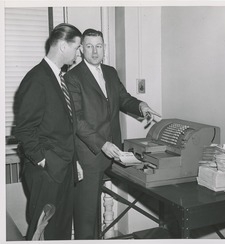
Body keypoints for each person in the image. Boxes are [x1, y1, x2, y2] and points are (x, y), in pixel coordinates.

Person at [64, 28, 160, 239]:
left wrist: (141, 105)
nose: (94, 51)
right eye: (89, 46)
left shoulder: (110, 72)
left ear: (104, 48)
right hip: (90, 156)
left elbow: (124, 99)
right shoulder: (72, 77)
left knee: (99, 214)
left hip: (114, 153)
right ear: (81, 49)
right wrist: (102, 144)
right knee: (86, 217)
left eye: (98, 46)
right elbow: (77, 120)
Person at [14, 23, 83, 240]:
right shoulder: (37, 79)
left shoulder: (58, 77)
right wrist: (46, 161)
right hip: (46, 173)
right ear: (63, 46)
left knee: (59, 231)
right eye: (77, 47)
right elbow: (25, 129)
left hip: (63, 168)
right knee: (42, 232)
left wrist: (73, 162)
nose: (78, 53)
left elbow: (62, 127)